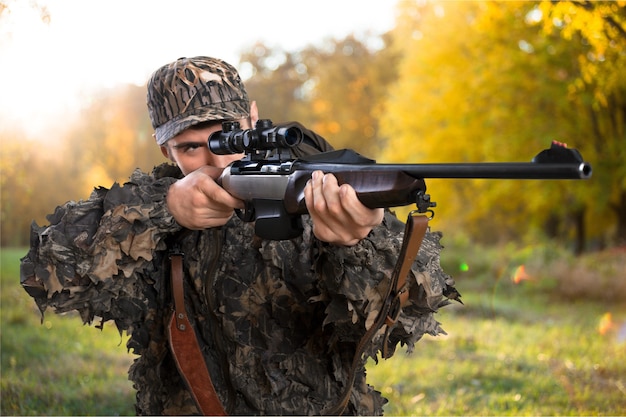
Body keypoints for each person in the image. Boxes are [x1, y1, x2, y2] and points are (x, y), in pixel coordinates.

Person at [20, 56, 458, 415]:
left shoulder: (317, 188)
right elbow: (46, 274)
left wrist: (358, 242)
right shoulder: (149, 222)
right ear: (165, 151)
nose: (217, 159)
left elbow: (406, 320)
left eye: (228, 136)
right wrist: (164, 208)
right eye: (191, 148)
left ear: (253, 119)